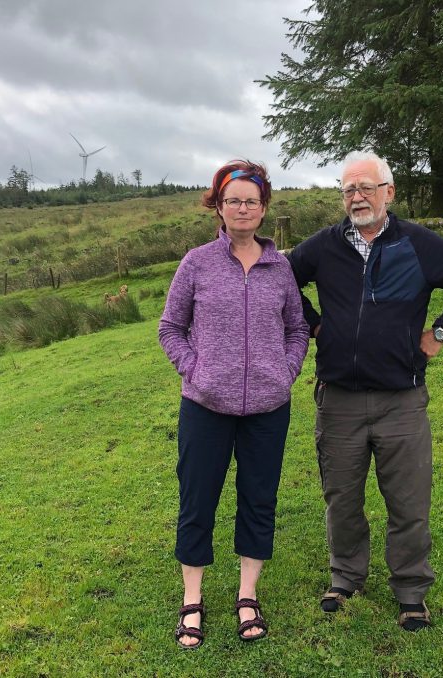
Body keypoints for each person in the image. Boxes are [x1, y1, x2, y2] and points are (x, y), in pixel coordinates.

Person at [287, 151, 443, 631]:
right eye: (348, 190)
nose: (356, 197)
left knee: (409, 502)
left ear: (389, 193)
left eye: (365, 188)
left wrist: (439, 334)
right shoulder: (323, 247)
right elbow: (280, 284)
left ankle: (411, 590)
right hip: (337, 399)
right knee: (342, 497)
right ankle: (346, 577)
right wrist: (314, 323)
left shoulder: (417, 244)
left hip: (402, 399)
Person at [159, 160, 309, 648]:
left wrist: (284, 372)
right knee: (197, 500)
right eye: (233, 200)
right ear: (218, 207)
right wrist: (195, 370)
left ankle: (247, 596)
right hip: (205, 407)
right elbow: (169, 328)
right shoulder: (196, 263)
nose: (242, 208)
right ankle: (192, 601)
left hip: (268, 408)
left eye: (252, 200)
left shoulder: (279, 267)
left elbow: (296, 328)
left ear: (264, 208)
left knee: (258, 499)